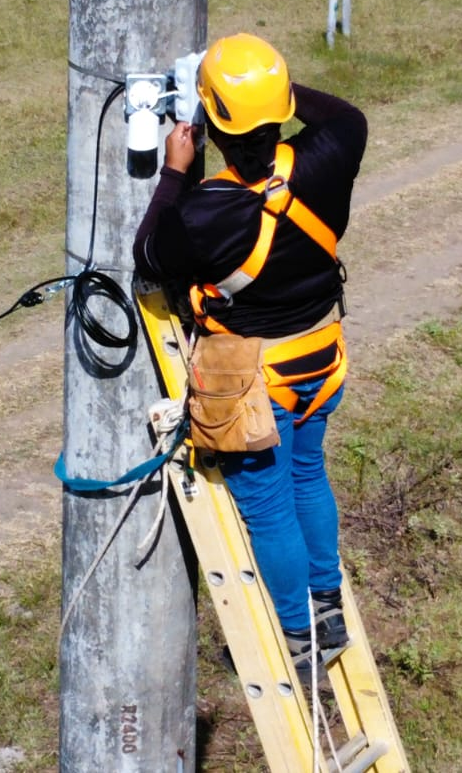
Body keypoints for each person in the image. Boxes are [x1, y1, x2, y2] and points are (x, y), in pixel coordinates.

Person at [134, 33, 367, 679]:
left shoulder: (209, 210)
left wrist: (178, 169)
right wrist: (279, 93)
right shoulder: (332, 152)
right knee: (307, 478)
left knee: (268, 506)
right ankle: (327, 607)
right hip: (321, 360)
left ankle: (300, 637)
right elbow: (345, 114)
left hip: (254, 382)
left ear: (213, 121)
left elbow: (150, 257)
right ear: (284, 106)